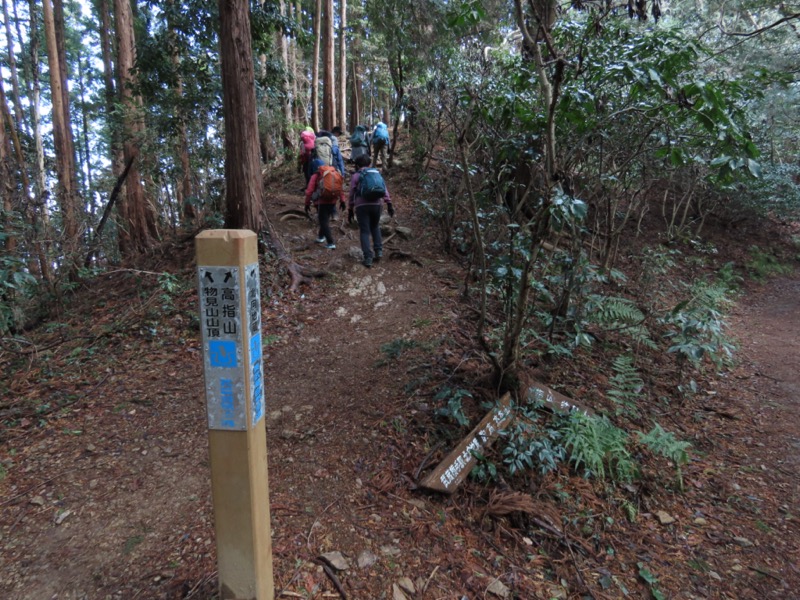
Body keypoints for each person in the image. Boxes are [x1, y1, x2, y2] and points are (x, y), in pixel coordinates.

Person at [348, 154, 394, 267]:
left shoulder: (356, 176)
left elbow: (352, 194)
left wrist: (350, 208)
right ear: (369, 164)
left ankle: (368, 257)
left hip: (361, 206)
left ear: (357, 165)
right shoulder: (376, 173)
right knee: (375, 226)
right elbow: (384, 189)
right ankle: (378, 251)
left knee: (364, 231)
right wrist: (389, 203)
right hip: (377, 204)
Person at [305, 160, 345, 250]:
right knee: (324, 219)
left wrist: (307, 203)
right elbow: (340, 187)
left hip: (322, 201)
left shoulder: (316, 176)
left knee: (323, 222)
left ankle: (330, 242)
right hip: (333, 201)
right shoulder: (333, 173)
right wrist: (342, 201)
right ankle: (320, 237)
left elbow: (309, 191)